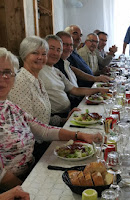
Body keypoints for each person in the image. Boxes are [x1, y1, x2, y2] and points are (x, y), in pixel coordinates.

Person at [0, 47, 102, 190]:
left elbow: (43, 130)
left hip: (31, 169)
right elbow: (1, 175)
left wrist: (81, 135)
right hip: (11, 188)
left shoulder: (10, 107)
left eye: (7, 73)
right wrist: (27, 188)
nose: (2, 79)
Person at [39, 35, 109, 114]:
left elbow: (75, 90)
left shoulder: (56, 70)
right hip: (59, 116)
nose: (55, 53)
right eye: (52, 48)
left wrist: (99, 90)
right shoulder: (38, 71)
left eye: (58, 50)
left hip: (70, 111)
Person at [8, 36, 65, 127]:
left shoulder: (38, 81)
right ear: (24, 55)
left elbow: (42, 116)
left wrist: (62, 120)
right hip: (33, 140)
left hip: (45, 133)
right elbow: (28, 125)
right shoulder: (19, 82)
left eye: (44, 54)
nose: (40, 57)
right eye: (35, 53)